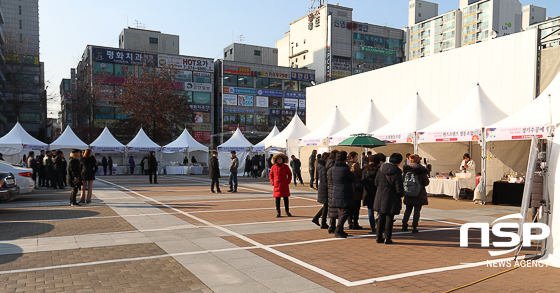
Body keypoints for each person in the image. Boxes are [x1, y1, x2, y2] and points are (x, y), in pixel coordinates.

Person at [374, 153, 404, 244]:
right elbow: (399, 187)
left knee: (380, 216)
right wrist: (401, 194)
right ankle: (387, 237)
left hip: (380, 195)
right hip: (391, 197)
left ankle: (378, 237)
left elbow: (376, 182)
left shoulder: (381, 169)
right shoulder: (397, 171)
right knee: (389, 218)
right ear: (398, 162)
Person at [402, 154, 430, 233]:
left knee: (408, 209)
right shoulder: (421, 170)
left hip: (408, 191)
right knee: (417, 210)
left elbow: (403, 180)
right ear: (418, 160)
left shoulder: (406, 169)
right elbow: (426, 182)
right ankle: (414, 226)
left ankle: (404, 224)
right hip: (419, 193)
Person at [332, 151, 356, 238]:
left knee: (340, 212)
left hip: (337, 192)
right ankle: (338, 230)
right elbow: (353, 178)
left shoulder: (334, 167)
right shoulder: (344, 168)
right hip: (344, 192)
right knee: (345, 212)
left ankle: (340, 229)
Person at [362, 154, 381, 234]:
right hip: (378, 191)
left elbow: (363, 180)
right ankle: (380, 225)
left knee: (370, 210)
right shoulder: (379, 170)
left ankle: (372, 227)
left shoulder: (365, 169)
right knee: (380, 210)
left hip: (367, 192)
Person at [269, 153, 292, 217]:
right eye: (278, 159)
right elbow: (270, 175)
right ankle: (278, 212)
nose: (279, 160)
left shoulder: (285, 167)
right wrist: (272, 182)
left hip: (284, 185)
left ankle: (287, 211)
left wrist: (288, 181)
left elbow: (290, 174)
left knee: (286, 199)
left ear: (283, 160)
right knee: (277, 200)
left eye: (280, 159)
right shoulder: (273, 167)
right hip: (277, 185)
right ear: (276, 160)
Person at [312, 152, 329, 229]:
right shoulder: (323, 167)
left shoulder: (322, 166)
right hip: (324, 188)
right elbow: (324, 179)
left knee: (326, 205)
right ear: (326, 158)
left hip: (323, 187)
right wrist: (329, 186)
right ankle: (322, 222)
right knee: (326, 205)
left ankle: (317, 218)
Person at [347, 151, 363, 230]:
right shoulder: (355, 165)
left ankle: (350, 223)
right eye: (356, 157)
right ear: (352, 158)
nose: (357, 158)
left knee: (350, 208)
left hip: (348, 189)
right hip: (356, 189)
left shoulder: (346, 165)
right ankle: (355, 223)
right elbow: (361, 175)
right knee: (356, 208)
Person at [326, 150, 339, 234]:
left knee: (331, 208)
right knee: (335, 208)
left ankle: (331, 226)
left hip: (330, 189)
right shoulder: (334, 167)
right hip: (335, 188)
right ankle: (333, 226)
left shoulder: (328, 165)